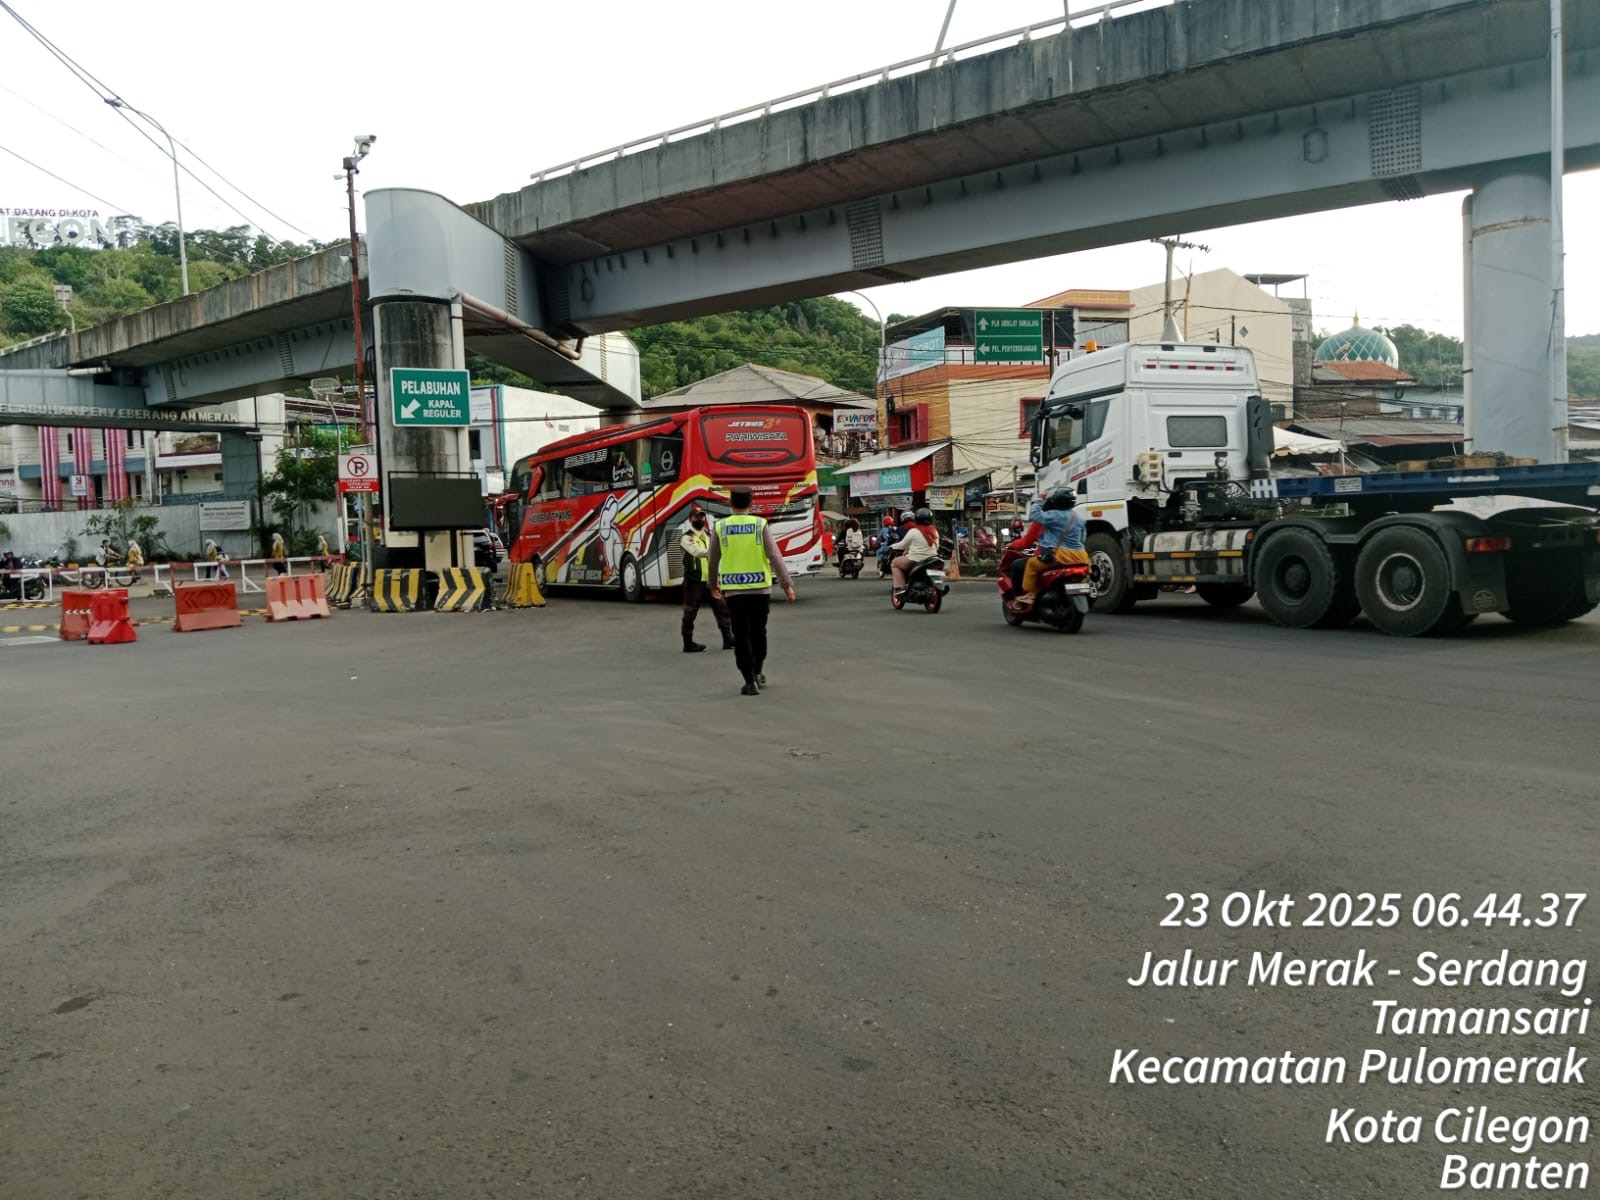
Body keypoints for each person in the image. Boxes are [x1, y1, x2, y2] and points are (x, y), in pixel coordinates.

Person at [708, 486, 796, 696]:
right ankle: (757, 671)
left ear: (730, 503)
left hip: (734, 591)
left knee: (741, 635)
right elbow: (774, 556)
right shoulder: (760, 524)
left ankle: (749, 681)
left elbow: (713, 559)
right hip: (760, 590)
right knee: (759, 632)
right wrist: (786, 585)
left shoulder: (720, 526)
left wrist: (713, 585)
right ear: (751, 503)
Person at [1008, 488, 1089, 607]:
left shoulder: (1052, 516)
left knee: (1031, 564)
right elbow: (1082, 539)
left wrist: (1039, 500)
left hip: (1060, 556)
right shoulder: (1079, 519)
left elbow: (1035, 515)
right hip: (1080, 556)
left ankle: (1030, 594)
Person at [678, 505, 734, 653]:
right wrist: (716, 551)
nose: (700, 519)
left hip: (711, 579)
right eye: (697, 517)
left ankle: (728, 638)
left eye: (702, 516)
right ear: (690, 519)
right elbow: (696, 552)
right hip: (694, 580)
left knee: (722, 608)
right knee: (690, 612)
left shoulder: (709, 535)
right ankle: (688, 643)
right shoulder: (686, 537)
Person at [890, 508, 943, 595]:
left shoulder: (914, 531)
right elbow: (936, 546)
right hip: (932, 558)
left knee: (894, 563)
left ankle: (900, 589)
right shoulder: (935, 531)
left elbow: (903, 545)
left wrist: (892, 546)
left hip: (915, 559)